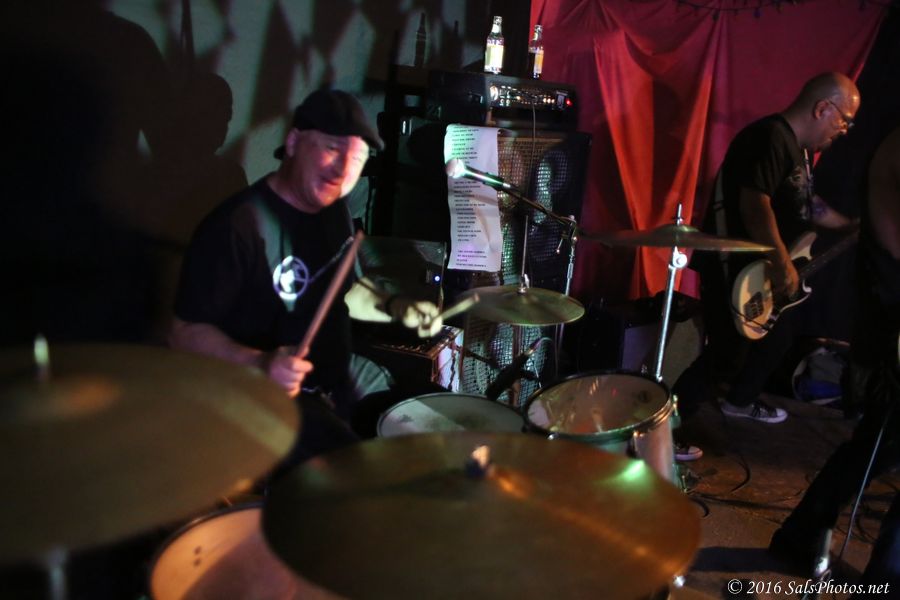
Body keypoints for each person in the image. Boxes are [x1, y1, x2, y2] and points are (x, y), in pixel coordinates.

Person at [169, 88, 442, 461]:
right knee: (360, 472)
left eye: (357, 158)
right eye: (332, 148)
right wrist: (260, 364)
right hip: (263, 396)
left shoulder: (333, 210)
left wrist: (396, 307)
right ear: (294, 142)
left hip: (338, 377)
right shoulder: (239, 226)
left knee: (438, 431)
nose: (343, 169)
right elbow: (184, 333)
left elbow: (348, 292)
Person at [674, 72, 859, 434]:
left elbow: (809, 205)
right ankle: (663, 429)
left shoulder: (799, 151)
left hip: (763, 270)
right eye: (844, 120)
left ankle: (739, 401)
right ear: (823, 108)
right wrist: (781, 262)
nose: (844, 130)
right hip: (735, 266)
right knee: (726, 354)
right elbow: (755, 204)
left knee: (778, 339)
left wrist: (851, 225)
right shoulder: (769, 137)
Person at [768, 125, 900, 589]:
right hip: (894, 317)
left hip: (887, 315)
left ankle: (800, 535)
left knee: (877, 444)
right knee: (878, 443)